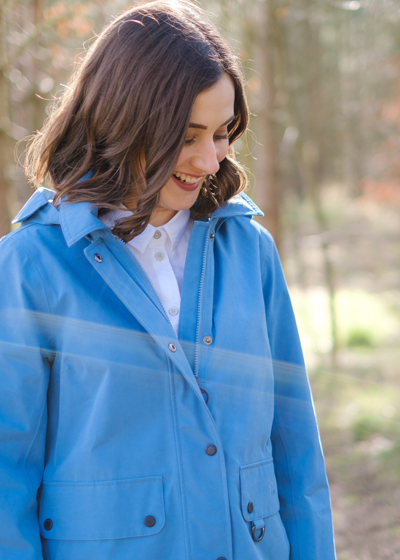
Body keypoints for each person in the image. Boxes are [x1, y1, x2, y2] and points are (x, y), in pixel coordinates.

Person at [0, 1, 336, 559]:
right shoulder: (29, 266)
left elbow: (296, 453)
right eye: (187, 136)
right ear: (123, 123)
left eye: (224, 132)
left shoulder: (250, 251)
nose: (210, 159)